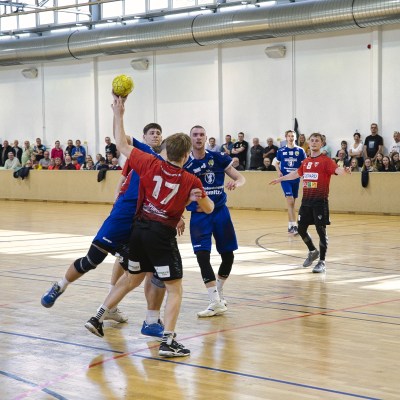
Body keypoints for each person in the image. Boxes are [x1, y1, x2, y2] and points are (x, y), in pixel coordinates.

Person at [85, 97, 214, 358]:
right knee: (175, 288)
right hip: (161, 236)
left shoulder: (149, 162)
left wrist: (119, 114)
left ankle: (97, 317)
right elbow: (209, 208)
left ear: (165, 150)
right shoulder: (191, 180)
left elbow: (121, 144)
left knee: (131, 277)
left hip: (138, 231)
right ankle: (168, 341)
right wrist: (197, 197)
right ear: (186, 155)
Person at [41, 121, 173, 339]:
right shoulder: (145, 154)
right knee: (91, 261)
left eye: (159, 133)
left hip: (140, 223)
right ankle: (60, 285)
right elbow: (123, 143)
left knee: (143, 271)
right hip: (122, 218)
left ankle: (138, 316)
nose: (156, 136)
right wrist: (118, 114)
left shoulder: (170, 169)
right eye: (152, 133)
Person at [185, 125, 245, 317]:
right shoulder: (185, 163)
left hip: (220, 212)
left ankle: (218, 291)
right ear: (190, 138)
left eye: (201, 135)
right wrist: (179, 215)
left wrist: (236, 183)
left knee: (228, 256)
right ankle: (214, 301)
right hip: (199, 215)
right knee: (202, 256)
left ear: (206, 138)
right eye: (195, 135)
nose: (198, 138)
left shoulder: (218, 157)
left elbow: (240, 177)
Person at [270, 132, 350, 273]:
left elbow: (338, 170)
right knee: (301, 229)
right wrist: (280, 179)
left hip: (320, 202)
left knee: (321, 231)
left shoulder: (326, 161)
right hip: (306, 202)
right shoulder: (306, 161)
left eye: (317, 140)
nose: (313, 143)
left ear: (321, 143)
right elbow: (296, 173)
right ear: (308, 143)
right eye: (312, 140)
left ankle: (322, 262)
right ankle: (313, 251)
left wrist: (345, 170)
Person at [274, 130, 306, 235]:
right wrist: (279, 172)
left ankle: (290, 226)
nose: (291, 138)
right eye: (289, 136)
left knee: (292, 204)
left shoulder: (300, 150)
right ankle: (295, 226)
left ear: (295, 137)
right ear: (286, 137)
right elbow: (276, 163)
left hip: (296, 179)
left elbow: (304, 164)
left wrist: (303, 174)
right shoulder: (281, 150)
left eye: (292, 136)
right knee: (290, 201)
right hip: (285, 179)